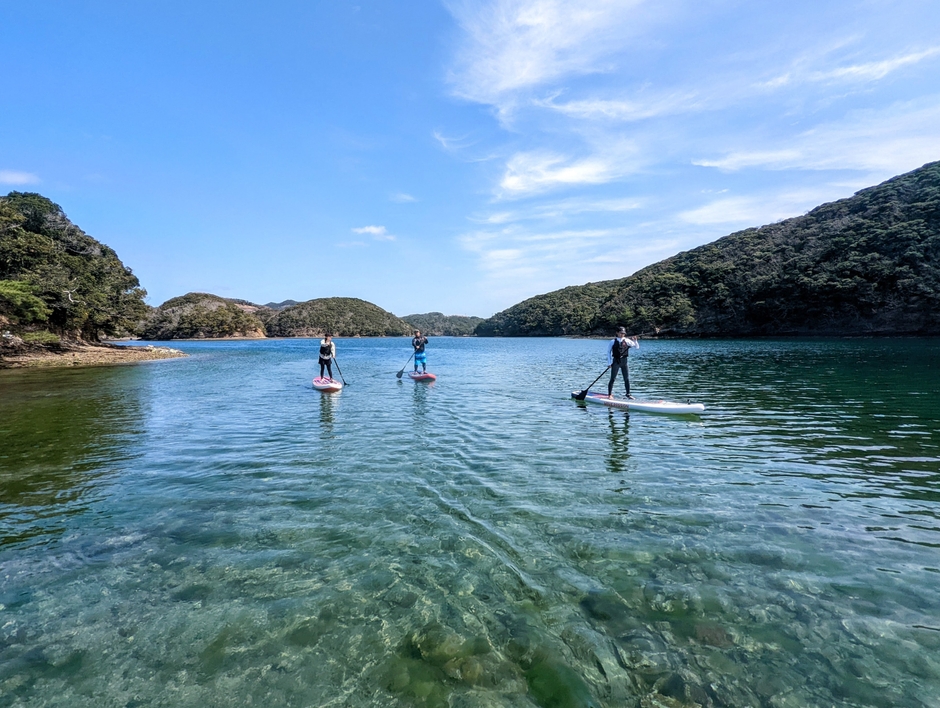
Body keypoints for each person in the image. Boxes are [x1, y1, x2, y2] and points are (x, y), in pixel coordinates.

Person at [607, 326, 639, 399]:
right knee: (613, 378)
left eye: (624, 333)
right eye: (621, 333)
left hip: (624, 362)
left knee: (626, 378)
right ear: (617, 333)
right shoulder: (612, 341)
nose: (622, 335)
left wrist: (635, 341)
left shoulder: (627, 341)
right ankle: (609, 394)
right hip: (616, 362)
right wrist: (609, 363)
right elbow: (608, 352)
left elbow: (637, 347)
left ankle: (628, 394)